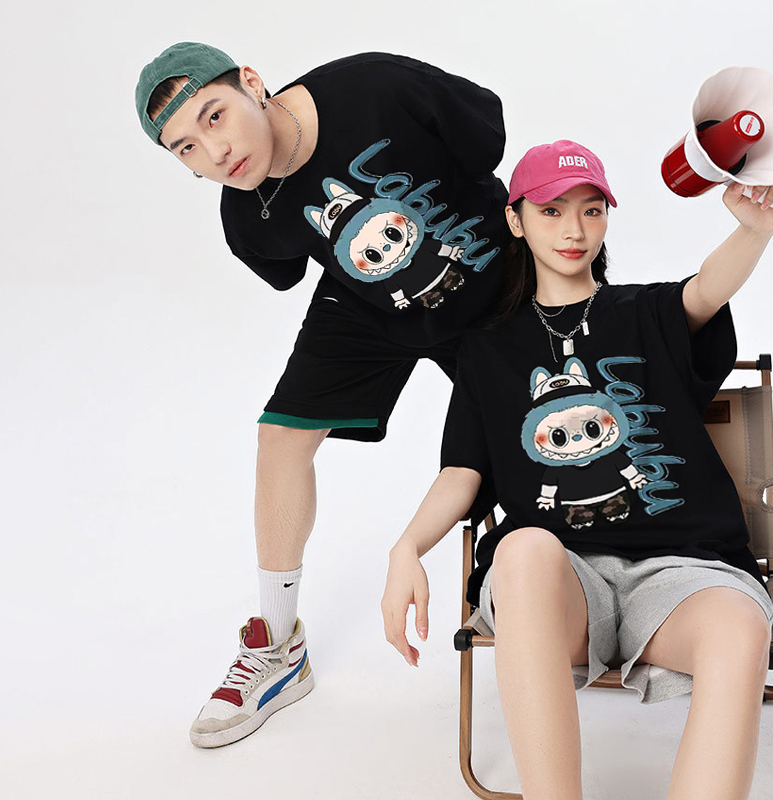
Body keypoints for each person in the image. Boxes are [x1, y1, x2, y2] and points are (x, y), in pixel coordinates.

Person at [381, 139, 773, 799]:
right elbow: (462, 471)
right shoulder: (488, 349)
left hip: (685, 575)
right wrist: (406, 548)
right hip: (559, 586)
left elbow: (707, 288)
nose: (574, 230)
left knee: (741, 629)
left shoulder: (648, 314)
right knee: (522, 549)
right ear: (516, 219)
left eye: (591, 210)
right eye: (551, 211)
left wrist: (754, 231)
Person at [134, 42, 509, 748]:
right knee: (280, 437)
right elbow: (285, 269)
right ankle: (279, 648)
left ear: (252, 83)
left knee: (546, 430)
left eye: (215, 117)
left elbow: (486, 130)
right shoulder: (247, 216)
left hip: (488, 273)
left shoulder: (374, 88)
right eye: (186, 148)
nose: (216, 152)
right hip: (365, 299)